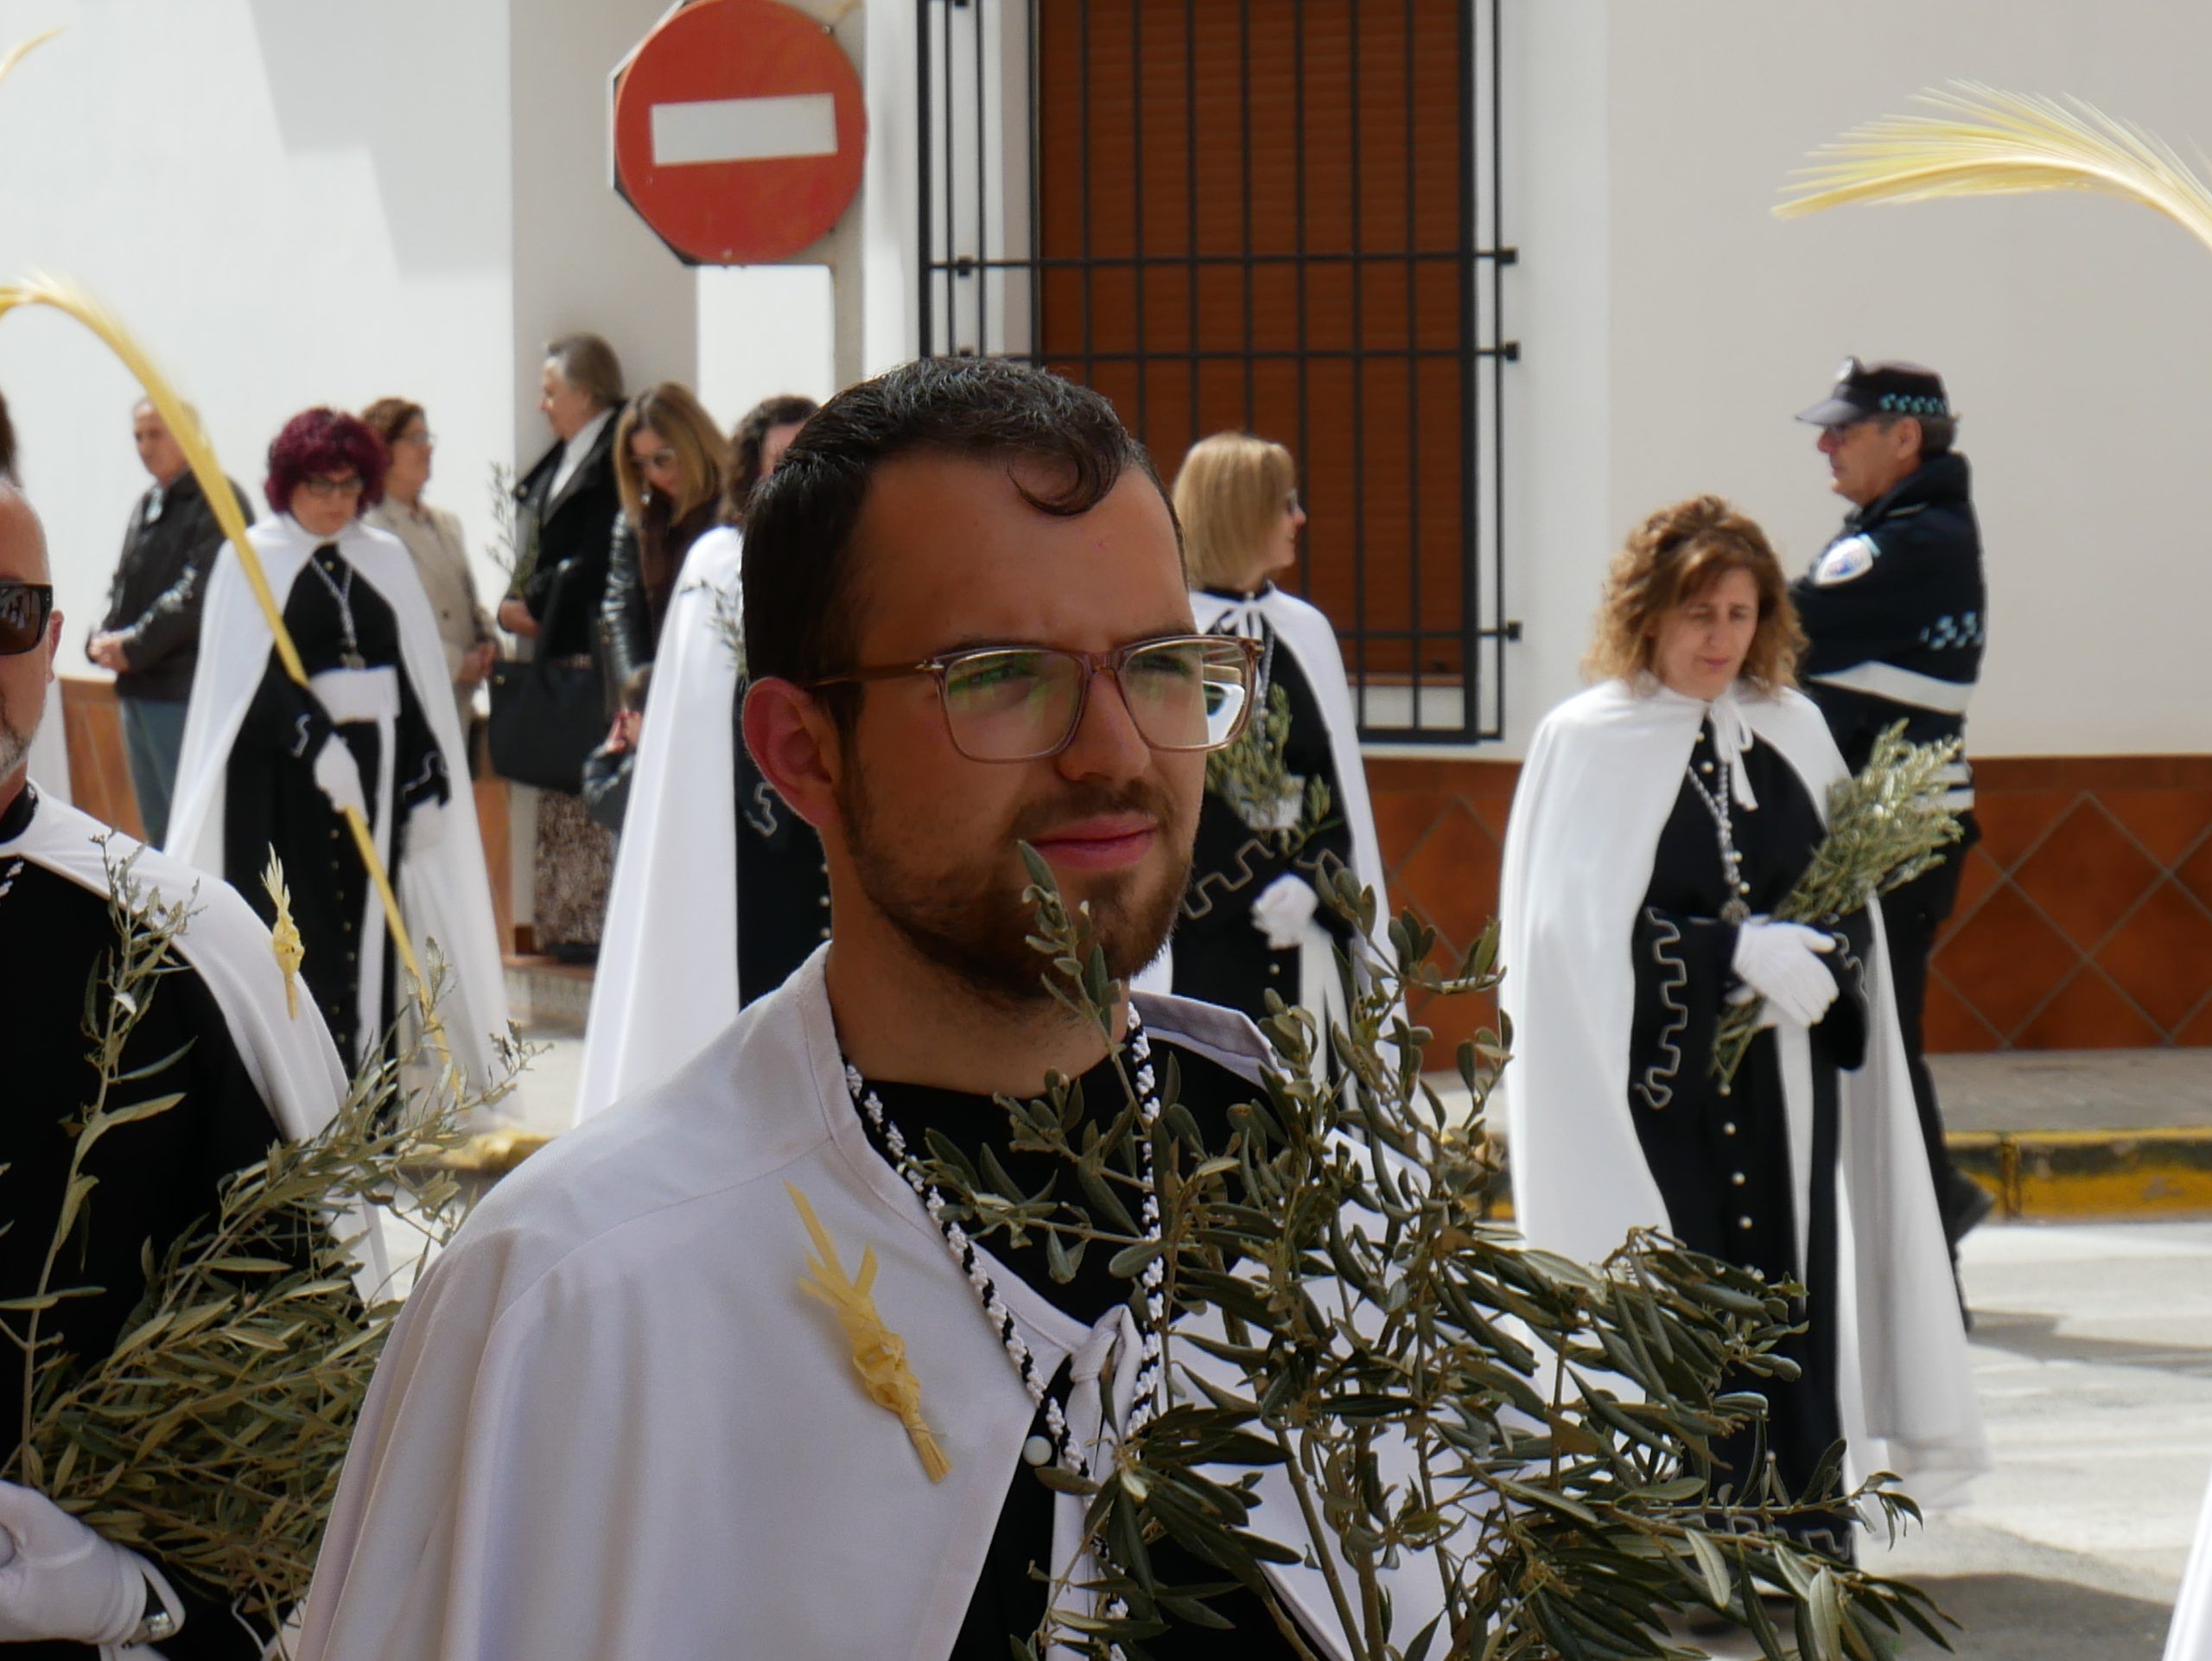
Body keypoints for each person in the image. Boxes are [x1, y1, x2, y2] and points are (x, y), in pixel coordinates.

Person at [296, 359, 1452, 1658]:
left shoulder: (1328, 1208)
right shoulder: (575, 1305)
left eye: (1161, 665)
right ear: (803, 751)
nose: (1117, 749)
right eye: (1004, 674)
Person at [1499, 495, 1986, 1556]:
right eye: (1698, 612)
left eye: (1739, 612)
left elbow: (1846, 905)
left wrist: (1816, 964)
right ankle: (1688, 1548)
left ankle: (1799, 1533)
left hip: (1782, 1085)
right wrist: (1724, 955)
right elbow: (1563, 940)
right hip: (1655, 1093)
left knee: (1786, 1296)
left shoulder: (1792, 728)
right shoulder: (1586, 738)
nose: (1720, 637)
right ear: (1647, 614)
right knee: (1682, 1307)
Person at [0, 478, 348, 1657]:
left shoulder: (185, 949)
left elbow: (302, 1373)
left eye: (3, 611)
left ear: (52, 639)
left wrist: (139, 1596)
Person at [165, 408, 508, 1090]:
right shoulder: (253, 559)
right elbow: (243, 678)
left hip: (376, 776)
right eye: (319, 486)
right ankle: (305, 1098)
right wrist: (313, 740)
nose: (335, 502)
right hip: (285, 788)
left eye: (348, 486)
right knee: (303, 934)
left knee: (370, 938)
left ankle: (368, 1100)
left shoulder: (382, 557)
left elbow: (410, 675)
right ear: (288, 484)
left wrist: (423, 778)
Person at [571, 392, 823, 1120]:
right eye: (783, 459)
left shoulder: (855, 554)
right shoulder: (720, 561)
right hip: (745, 835)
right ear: (751, 469)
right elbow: (706, 694)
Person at [1789, 357, 1991, 1253]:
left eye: (1845, 429)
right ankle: (1932, 1212)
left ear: (1904, 437)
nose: (1826, 446)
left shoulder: (1905, 544)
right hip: (1892, 833)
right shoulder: (1908, 530)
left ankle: (1929, 1236)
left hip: (1893, 838)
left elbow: (1780, 630)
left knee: (1876, 1039)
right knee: (1872, 1034)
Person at [1150, 432, 1387, 1030]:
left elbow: (1334, 785)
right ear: (1241, 512)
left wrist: (1311, 882)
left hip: (1304, 929)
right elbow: (1164, 781)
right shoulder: (1167, 634)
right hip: (1203, 934)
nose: (1299, 518)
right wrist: (1246, 882)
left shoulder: (1306, 630)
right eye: (1285, 503)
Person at [501, 331, 624, 958]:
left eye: (551, 392)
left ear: (587, 392)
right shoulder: (566, 457)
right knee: (561, 784)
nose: (542, 405)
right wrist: (518, 594)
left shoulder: (612, 455)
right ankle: (565, 924)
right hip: (557, 646)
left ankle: (592, 926)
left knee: (590, 787)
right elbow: (539, 543)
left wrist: (536, 605)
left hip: (586, 648)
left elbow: (594, 557)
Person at [85, 400, 254, 847]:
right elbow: (123, 581)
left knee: (195, 832)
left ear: (187, 433)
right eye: (138, 436)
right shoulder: (149, 503)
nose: (144, 447)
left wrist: (133, 646)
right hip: (140, 690)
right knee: (160, 833)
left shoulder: (217, 498)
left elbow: (199, 592)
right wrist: (100, 636)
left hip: (187, 693)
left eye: (155, 434)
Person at [360, 398, 496, 746]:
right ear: (383, 450)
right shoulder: (369, 530)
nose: (428, 448)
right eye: (415, 439)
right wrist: (456, 663)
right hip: (412, 702)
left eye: (428, 438)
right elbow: (385, 625)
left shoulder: (447, 524)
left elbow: (468, 600)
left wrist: (488, 643)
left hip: (459, 702)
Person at [597, 381, 728, 697]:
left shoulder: (735, 509)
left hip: (725, 683)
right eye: (641, 463)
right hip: (661, 688)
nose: (655, 474)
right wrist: (637, 688)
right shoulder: (638, 521)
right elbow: (621, 611)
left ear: (693, 443)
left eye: (663, 457)